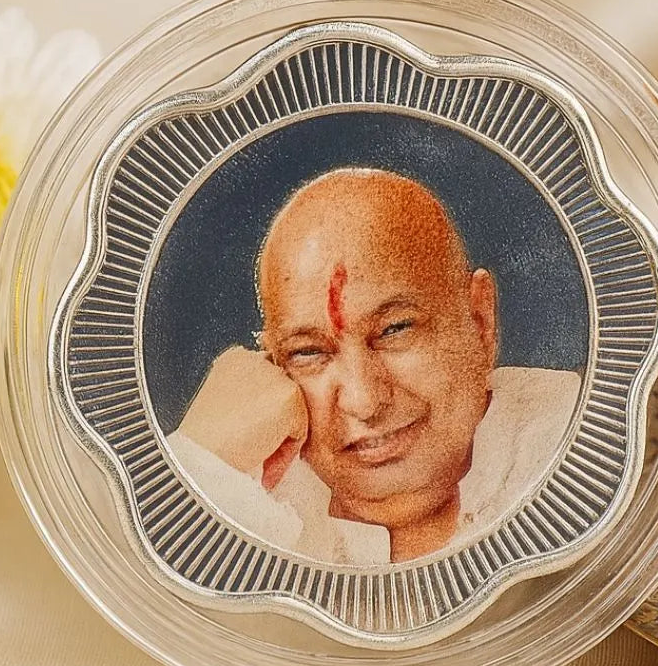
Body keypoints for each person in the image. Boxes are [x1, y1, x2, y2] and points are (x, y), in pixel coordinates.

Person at [166, 167, 580, 565]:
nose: (364, 401)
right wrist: (201, 463)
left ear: (479, 320)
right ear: (274, 367)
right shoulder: (240, 491)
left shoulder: (581, 441)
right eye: (308, 352)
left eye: (394, 329)